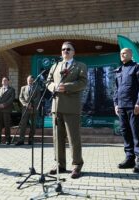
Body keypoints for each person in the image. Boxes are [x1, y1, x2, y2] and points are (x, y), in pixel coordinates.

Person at [46, 41, 87, 179]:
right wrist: (53, 87)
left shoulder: (80, 65)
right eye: (63, 49)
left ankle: (76, 165)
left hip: (71, 107)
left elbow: (83, 82)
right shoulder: (55, 65)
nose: (65, 51)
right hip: (56, 107)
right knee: (57, 138)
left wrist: (67, 87)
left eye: (68, 49)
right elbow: (48, 82)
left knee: (73, 138)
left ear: (73, 52)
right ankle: (60, 164)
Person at [113, 48, 139, 173]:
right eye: (121, 53)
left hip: (134, 107)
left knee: (136, 133)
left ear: (131, 54)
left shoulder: (137, 67)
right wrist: (116, 104)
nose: (122, 55)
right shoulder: (119, 70)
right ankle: (129, 159)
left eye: (125, 53)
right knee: (126, 133)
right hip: (122, 107)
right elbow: (116, 89)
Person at [15, 75, 40, 146]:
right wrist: (26, 104)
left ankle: (31, 139)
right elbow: (20, 97)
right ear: (27, 80)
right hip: (25, 109)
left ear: (33, 81)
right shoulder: (23, 88)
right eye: (29, 80)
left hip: (33, 109)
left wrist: (32, 105)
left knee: (33, 125)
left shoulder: (37, 88)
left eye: (31, 80)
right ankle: (21, 140)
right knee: (23, 125)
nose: (30, 82)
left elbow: (38, 98)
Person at [0, 76, 15, 145]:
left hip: (6, 110)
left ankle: (8, 139)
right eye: (3, 80)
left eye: (5, 80)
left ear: (8, 81)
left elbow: (11, 99)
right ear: (1, 82)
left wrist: (4, 105)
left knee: (7, 125)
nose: (4, 81)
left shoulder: (11, 90)